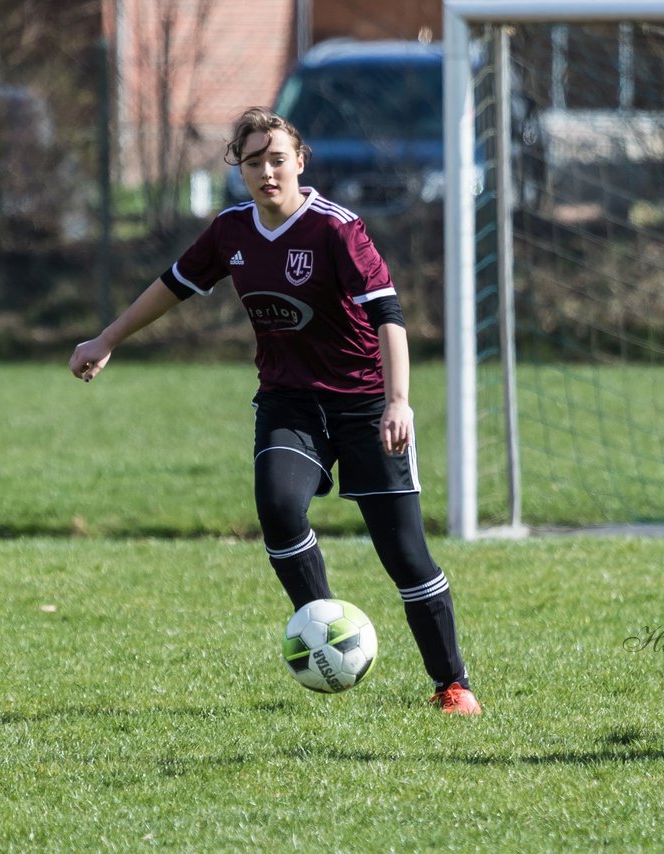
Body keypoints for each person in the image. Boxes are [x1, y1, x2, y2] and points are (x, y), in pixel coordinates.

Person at [69, 106, 481, 715]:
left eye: (278, 159)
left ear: (300, 162)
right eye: (254, 161)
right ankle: (326, 636)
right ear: (239, 168)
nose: (268, 172)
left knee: (405, 555)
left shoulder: (338, 230)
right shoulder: (232, 231)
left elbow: (388, 317)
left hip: (365, 404)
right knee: (281, 509)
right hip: (289, 400)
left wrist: (399, 401)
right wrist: (107, 339)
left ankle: (453, 685)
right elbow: (174, 284)